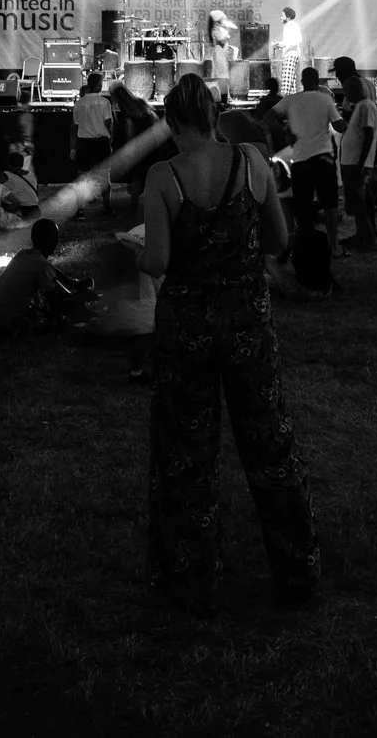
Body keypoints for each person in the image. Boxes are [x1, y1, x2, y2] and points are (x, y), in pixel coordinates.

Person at [139, 73, 319, 616]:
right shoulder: (252, 164)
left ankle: (192, 579)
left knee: (186, 454)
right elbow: (278, 240)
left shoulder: (163, 176)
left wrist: (129, 251)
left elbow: (157, 261)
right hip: (248, 323)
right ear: (215, 115)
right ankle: (298, 571)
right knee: (271, 444)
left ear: (172, 123)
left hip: (187, 328)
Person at [0, 218, 94, 334]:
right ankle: (82, 310)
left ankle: (77, 303)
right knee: (56, 321)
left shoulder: (23, 254)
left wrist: (70, 281)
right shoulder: (42, 265)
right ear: (53, 241)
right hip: (10, 325)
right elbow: (56, 305)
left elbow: (51, 269)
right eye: (55, 237)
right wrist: (80, 299)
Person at [275, 66, 341, 252]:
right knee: (330, 204)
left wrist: (286, 133)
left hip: (301, 159)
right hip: (323, 158)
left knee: (303, 205)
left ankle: (306, 245)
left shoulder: (291, 100)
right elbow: (339, 125)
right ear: (317, 80)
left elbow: (268, 116)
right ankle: (334, 246)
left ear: (302, 81)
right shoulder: (325, 98)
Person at [331, 58, 377, 253]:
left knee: (358, 198)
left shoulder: (353, 89)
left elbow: (349, 120)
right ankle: (370, 233)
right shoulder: (368, 84)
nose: (337, 76)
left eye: (338, 72)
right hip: (365, 150)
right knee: (365, 197)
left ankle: (364, 237)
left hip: (357, 153)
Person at [108, 82, 166, 213]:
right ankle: (152, 205)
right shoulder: (140, 102)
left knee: (137, 179)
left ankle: (135, 208)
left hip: (138, 147)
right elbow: (154, 118)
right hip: (152, 145)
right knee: (149, 176)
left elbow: (129, 130)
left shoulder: (124, 110)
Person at [71, 72, 116, 219]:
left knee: (82, 177)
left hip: (83, 142)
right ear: (99, 85)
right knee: (104, 177)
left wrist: (73, 146)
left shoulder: (79, 103)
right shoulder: (104, 102)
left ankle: (80, 210)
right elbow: (108, 124)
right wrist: (110, 141)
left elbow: (75, 127)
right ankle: (107, 207)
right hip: (101, 141)